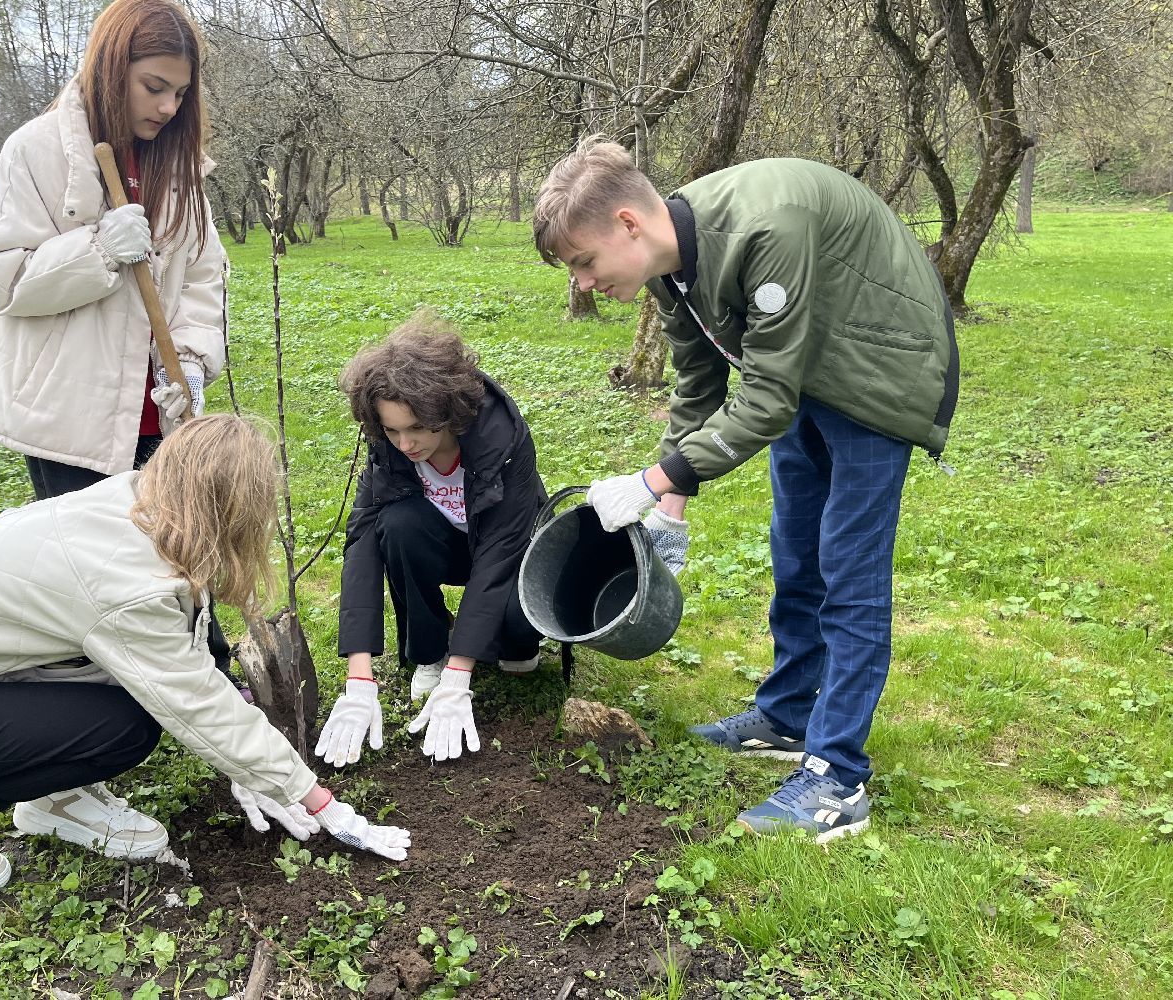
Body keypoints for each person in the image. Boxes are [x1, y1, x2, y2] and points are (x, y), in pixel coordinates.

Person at [532, 138, 959, 843]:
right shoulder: (671, 265)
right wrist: (669, 509)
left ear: (628, 224)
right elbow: (700, 385)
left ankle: (838, 779)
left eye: (583, 262)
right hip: (806, 371)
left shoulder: (766, 228)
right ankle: (788, 716)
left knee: (849, 573)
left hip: (881, 369)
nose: (582, 283)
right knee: (796, 555)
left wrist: (651, 481)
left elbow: (763, 401)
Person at [0, 414, 410, 898]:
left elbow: (185, 649)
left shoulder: (141, 501)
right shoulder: (127, 583)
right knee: (124, 731)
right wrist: (319, 802)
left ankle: (54, 799)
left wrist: (248, 763)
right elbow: (192, 700)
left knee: (125, 711)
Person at [0, 0, 227, 501]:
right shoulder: (34, 151)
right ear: (111, 68)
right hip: (69, 419)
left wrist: (191, 360)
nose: (168, 107)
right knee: (85, 549)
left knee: (163, 545)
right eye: (154, 87)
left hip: (158, 412)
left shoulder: (178, 165)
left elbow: (201, 274)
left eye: (180, 93)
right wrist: (99, 249)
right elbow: (4, 280)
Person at [314, 318, 549, 768]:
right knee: (397, 524)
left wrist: (460, 679)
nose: (405, 443)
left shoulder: (502, 441)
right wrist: (358, 676)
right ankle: (430, 650)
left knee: (516, 644)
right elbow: (362, 541)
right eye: (392, 430)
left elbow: (502, 550)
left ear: (448, 413)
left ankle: (501, 642)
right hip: (440, 543)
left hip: (507, 546)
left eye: (417, 428)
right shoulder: (390, 447)